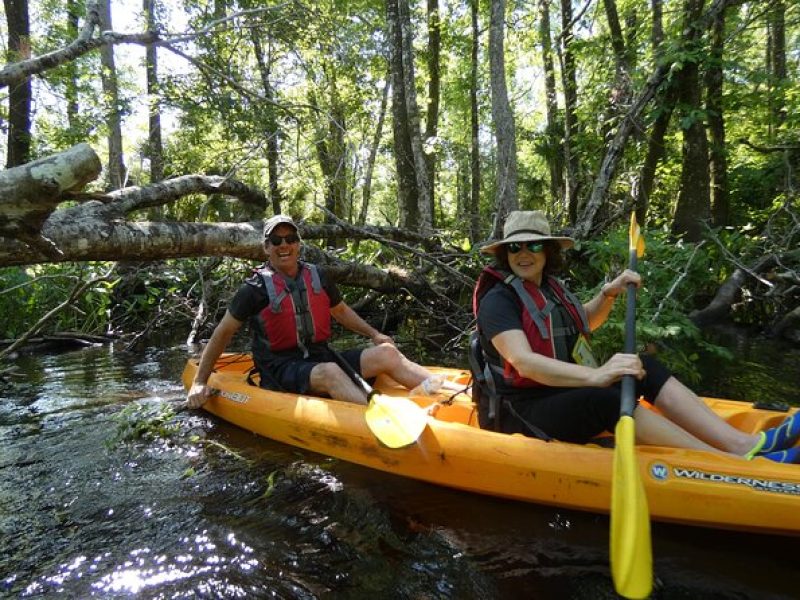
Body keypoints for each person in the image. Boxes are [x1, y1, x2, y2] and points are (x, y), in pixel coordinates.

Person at [473, 210, 800, 463]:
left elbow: (581, 322)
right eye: (515, 247)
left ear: (546, 251)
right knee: (606, 399)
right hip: (522, 412)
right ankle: (727, 463)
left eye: (533, 245)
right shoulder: (498, 300)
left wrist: (608, 294)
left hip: (557, 391)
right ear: (505, 253)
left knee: (644, 366)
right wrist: (596, 375)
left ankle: (743, 444)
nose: (523, 254)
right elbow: (524, 362)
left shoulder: (547, 287)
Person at [187, 214, 434, 408]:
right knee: (331, 373)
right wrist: (200, 381)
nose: (284, 245)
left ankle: (447, 395)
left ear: (298, 244)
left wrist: (374, 335)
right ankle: (378, 420)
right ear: (266, 247)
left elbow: (341, 311)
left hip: (319, 357)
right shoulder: (255, 289)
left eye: (290, 239)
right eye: (276, 240)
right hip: (280, 369)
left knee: (387, 354)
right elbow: (223, 332)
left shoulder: (318, 276)